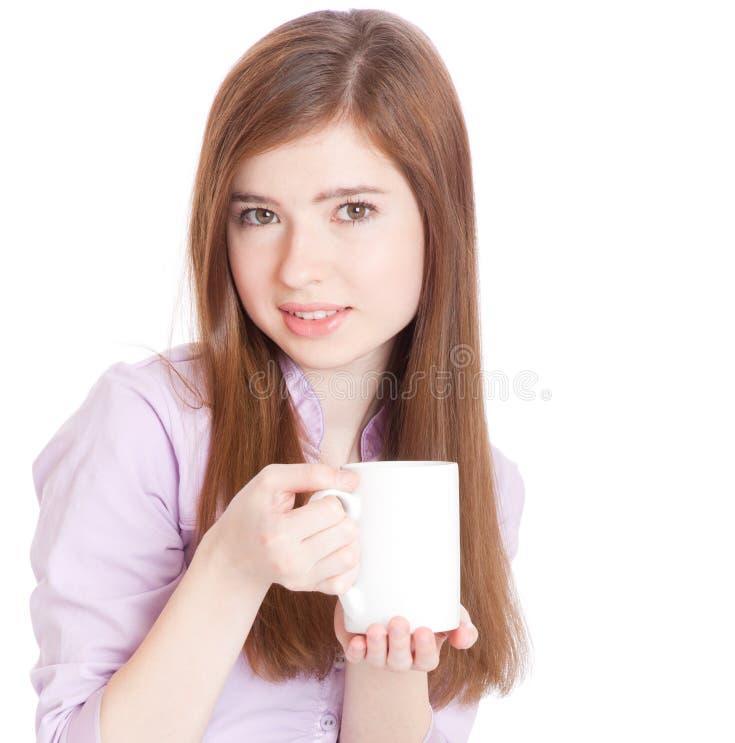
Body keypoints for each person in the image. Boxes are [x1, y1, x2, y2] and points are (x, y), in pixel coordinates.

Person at [29, 8, 531, 743]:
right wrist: (231, 566)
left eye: (352, 209)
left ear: (438, 217)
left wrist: (387, 667)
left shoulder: (483, 482)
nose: (298, 266)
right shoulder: (149, 426)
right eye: (260, 214)